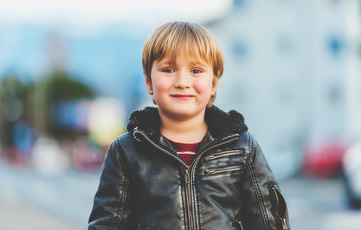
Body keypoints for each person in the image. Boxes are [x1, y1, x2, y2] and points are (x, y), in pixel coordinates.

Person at [88, 21, 290, 230]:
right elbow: (107, 225)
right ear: (148, 82)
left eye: (195, 70)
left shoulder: (242, 147)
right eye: (168, 69)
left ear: (213, 83)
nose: (182, 81)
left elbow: (268, 221)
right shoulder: (126, 151)